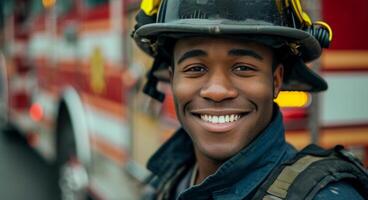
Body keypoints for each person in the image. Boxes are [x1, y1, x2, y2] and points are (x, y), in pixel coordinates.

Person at [132, 0, 368, 199]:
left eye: (243, 67)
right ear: (172, 80)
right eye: (195, 68)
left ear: (276, 81)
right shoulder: (171, 176)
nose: (217, 91)